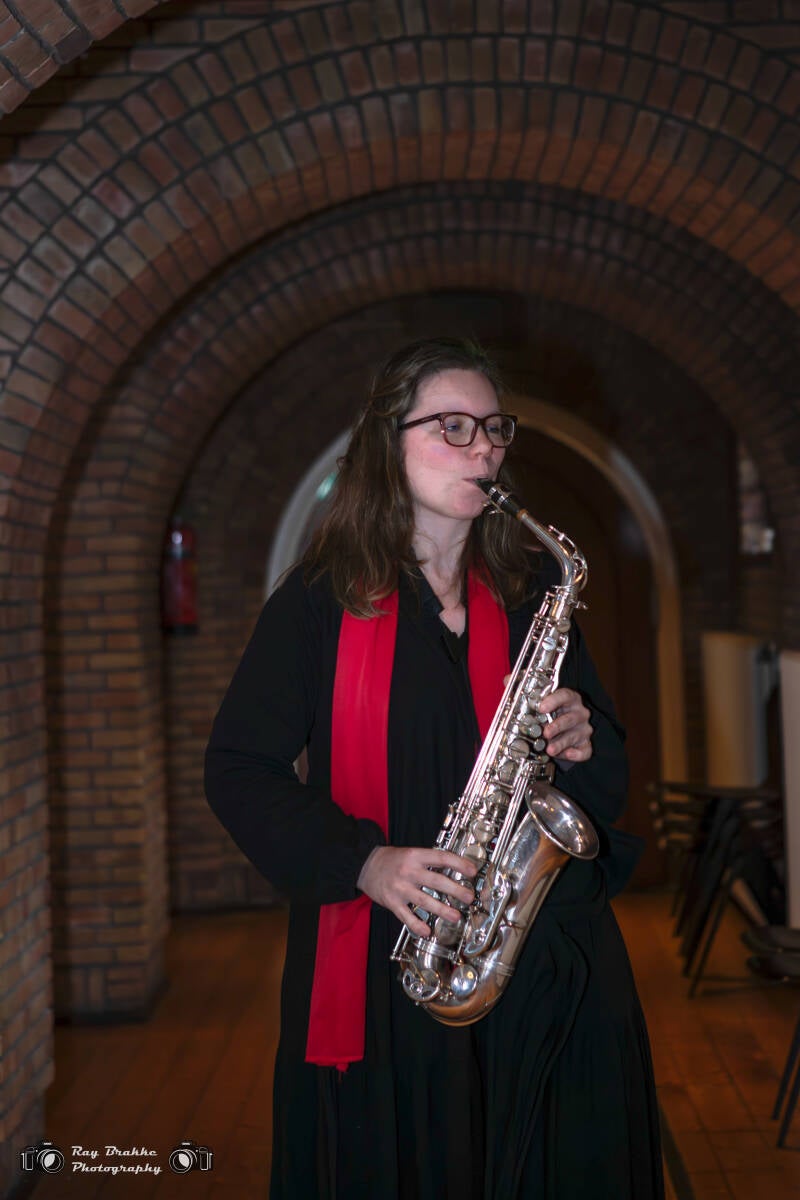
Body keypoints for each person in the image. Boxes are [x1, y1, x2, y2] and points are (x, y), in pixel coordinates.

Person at [204, 338, 664, 1200]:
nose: (483, 447)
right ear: (388, 442)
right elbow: (238, 769)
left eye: (494, 427)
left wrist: (584, 737)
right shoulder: (315, 602)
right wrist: (365, 863)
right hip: (393, 970)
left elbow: (599, 788)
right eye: (452, 426)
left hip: (546, 965)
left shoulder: (532, 596)